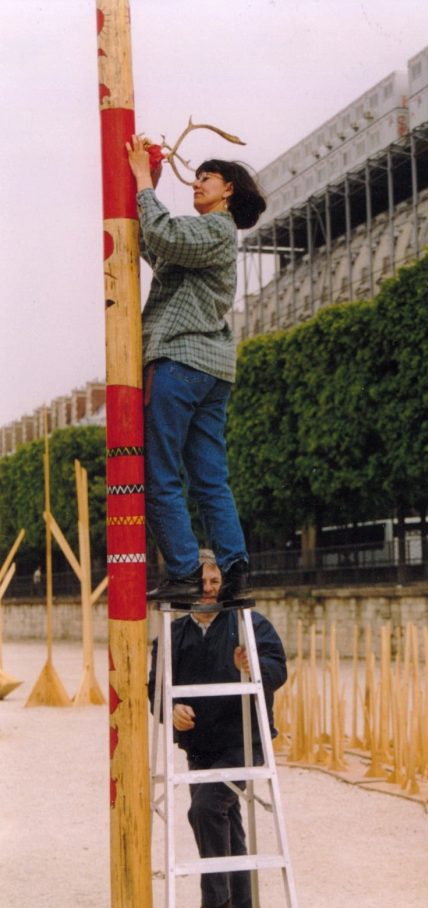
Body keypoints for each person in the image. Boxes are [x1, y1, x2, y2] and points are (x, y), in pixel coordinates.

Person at [126, 135, 267, 602]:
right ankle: (234, 568)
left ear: (228, 189)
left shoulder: (216, 229)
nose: (198, 182)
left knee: (162, 472)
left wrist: (144, 180)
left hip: (181, 361)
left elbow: (164, 236)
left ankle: (185, 571)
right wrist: (151, 185)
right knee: (209, 477)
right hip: (212, 369)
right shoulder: (213, 238)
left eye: (207, 176)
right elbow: (157, 246)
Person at [148, 552, 287, 908]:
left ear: (223, 583)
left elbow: (279, 670)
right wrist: (171, 710)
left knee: (206, 807)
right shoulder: (172, 635)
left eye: (213, 582)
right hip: (200, 747)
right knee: (229, 828)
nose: (207, 590)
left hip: (244, 742)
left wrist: (252, 667)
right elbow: (154, 689)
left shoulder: (248, 624)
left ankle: (217, 899)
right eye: (200, 583)